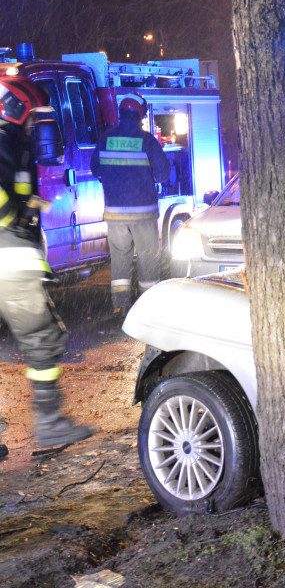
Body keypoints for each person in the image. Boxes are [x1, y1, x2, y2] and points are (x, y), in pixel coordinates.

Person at [0, 76, 93, 458]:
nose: (37, 124)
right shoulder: (4, 139)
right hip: (8, 257)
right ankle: (50, 425)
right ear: (15, 107)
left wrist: (31, 206)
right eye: (34, 115)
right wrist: (15, 220)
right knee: (42, 339)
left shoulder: (12, 140)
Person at [91, 93, 170, 317]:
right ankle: (149, 304)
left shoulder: (105, 139)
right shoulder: (146, 140)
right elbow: (163, 174)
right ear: (139, 114)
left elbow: (96, 170)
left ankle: (120, 304)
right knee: (147, 256)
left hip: (114, 214)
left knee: (120, 257)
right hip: (143, 212)